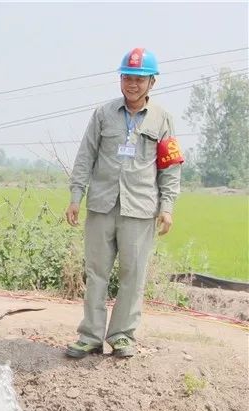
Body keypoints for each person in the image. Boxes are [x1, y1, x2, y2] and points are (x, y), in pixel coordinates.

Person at [65, 47, 183, 359]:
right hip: (102, 206)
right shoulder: (103, 114)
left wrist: (167, 206)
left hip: (140, 210)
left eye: (140, 79)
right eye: (128, 78)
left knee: (133, 275)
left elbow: (169, 167)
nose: (133, 84)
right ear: (121, 79)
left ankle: (122, 336)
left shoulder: (163, 120)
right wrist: (76, 197)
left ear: (152, 83)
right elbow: (85, 157)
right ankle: (90, 336)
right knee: (96, 273)